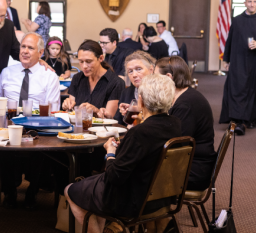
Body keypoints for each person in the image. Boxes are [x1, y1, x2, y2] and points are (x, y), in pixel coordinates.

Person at [65, 74, 181, 233]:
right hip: (161, 197)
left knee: (71, 190)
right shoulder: (176, 125)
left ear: (140, 101)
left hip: (131, 200)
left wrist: (110, 153)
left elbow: (114, 177)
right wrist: (125, 148)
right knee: (91, 186)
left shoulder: (139, 133)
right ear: (171, 100)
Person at [0, 33, 61, 208]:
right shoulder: (8, 72)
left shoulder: (49, 76)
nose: (25, 51)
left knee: (41, 147)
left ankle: (33, 189)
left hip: (38, 127)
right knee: (1, 146)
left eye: (30, 48)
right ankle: (9, 191)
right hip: (9, 124)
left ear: (41, 52)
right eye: (23, 47)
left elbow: (54, 109)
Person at [155, 56, 217, 192]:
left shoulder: (185, 105)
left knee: (138, 172)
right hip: (192, 164)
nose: (154, 82)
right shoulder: (185, 96)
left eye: (156, 78)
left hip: (193, 172)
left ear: (168, 77)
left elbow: (176, 145)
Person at [219, 0, 256, 135]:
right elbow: (230, 41)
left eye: (254, 1)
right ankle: (238, 121)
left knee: (255, 92)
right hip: (238, 61)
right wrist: (226, 60)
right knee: (236, 90)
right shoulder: (237, 20)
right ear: (245, 3)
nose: (252, 4)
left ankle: (249, 119)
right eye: (249, 1)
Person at [62, 40, 124, 119]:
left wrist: (96, 111)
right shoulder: (77, 78)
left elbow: (110, 119)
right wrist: (68, 105)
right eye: (81, 61)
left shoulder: (116, 82)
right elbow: (72, 111)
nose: (84, 66)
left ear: (101, 58)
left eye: (88, 61)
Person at [115, 51, 156, 126]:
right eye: (130, 71)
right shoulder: (126, 92)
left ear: (151, 70)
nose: (134, 75)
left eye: (139, 69)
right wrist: (124, 115)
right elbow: (118, 122)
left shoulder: (160, 93)